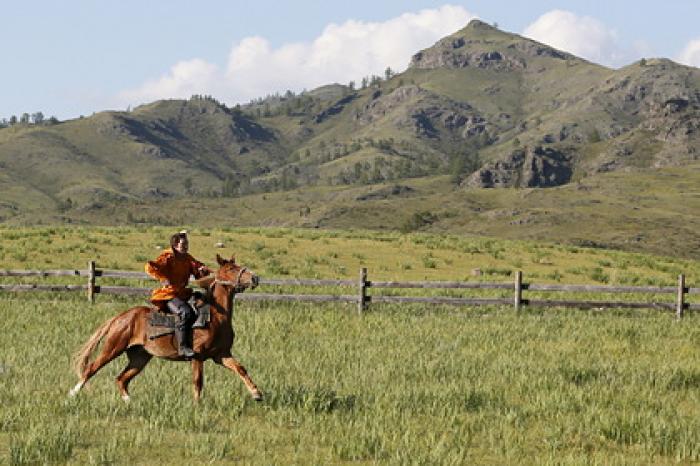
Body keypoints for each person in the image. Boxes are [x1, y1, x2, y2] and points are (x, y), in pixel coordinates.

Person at [145, 231, 211, 358]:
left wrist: (202, 270)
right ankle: (182, 348)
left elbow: (197, 270)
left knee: (203, 302)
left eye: (187, 244)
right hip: (169, 294)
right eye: (183, 244)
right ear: (175, 245)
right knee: (185, 312)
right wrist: (162, 278)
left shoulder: (188, 258)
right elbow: (152, 267)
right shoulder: (168, 256)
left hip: (183, 293)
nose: (186, 246)